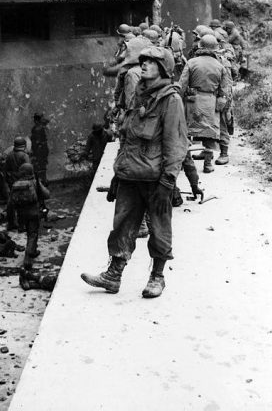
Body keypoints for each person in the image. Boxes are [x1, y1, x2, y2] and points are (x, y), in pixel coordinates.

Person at [81, 46, 188, 299]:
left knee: (160, 228)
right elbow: (127, 137)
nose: (144, 65)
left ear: (163, 68)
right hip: (130, 174)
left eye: (151, 62)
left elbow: (176, 143)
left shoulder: (171, 100)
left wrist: (168, 181)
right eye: (143, 61)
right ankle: (113, 275)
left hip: (155, 178)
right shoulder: (138, 95)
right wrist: (118, 174)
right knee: (122, 226)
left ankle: (157, 277)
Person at [178, 34, 232, 173]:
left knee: (187, 132)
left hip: (193, 102)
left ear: (200, 46)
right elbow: (224, 89)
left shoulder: (191, 62)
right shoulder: (220, 66)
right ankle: (208, 164)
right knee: (209, 132)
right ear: (215, 48)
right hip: (211, 102)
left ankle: (187, 164)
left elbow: (182, 85)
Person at [10, 163, 49, 269]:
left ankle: (34, 250)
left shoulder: (16, 183)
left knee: (29, 232)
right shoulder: (34, 182)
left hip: (21, 214)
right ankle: (28, 258)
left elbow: (11, 202)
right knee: (33, 233)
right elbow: (46, 194)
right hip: (33, 212)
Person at [4, 136, 31, 230]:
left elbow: (6, 169)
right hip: (22, 181)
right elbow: (28, 169)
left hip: (12, 181)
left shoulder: (10, 155)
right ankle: (21, 225)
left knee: (11, 202)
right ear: (24, 145)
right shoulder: (25, 156)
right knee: (23, 203)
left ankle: (11, 223)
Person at [30, 113, 50, 184]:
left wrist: (34, 150)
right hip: (42, 149)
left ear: (36, 121)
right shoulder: (41, 128)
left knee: (39, 166)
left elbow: (36, 141)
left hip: (39, 150)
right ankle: (43, 181)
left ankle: (42, 182)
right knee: (42, 166)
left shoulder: (37, 129)